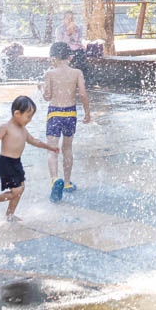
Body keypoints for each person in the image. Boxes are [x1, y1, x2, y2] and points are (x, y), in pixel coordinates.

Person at [0, 96, 59, 221]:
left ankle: (10, 214)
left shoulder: (23, 130)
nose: (30, 120)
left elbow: (34, 141)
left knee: (20, 189)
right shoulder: (5, 127)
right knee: (16, 191)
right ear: (17, 113)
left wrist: (49, 147)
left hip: (16, 162)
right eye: (28, 116)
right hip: (5, 162)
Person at [40, 41, 92, 202]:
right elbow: (83, 94)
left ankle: (55, 180)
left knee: (52, 150)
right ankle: (68, 182)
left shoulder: (50, 74)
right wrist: (87, 113)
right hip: (70, 113)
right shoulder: (76, 72)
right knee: (67, 148)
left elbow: (47, 97)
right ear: (68, 56)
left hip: (55, 113)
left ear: (53, 57)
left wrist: (40, 88)